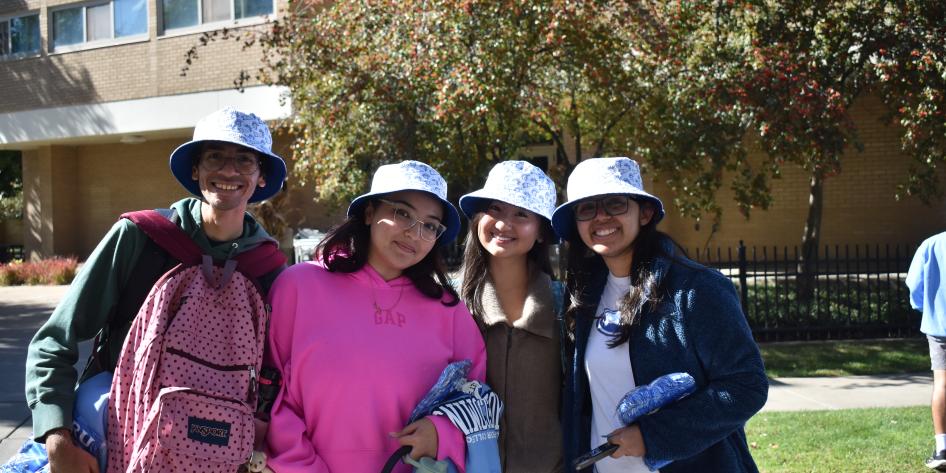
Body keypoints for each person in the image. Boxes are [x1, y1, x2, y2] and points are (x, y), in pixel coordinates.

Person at [24, 107, 288, 473]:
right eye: (215, 156)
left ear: (261, 176)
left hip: (218, 457)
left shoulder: (268, 268)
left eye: (244, 160)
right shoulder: (140, 238)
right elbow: (54, 340)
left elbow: (277, 374)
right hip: (117, 440)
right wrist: (57, 437)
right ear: (195, 170)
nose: (229, 171)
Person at [263, 160, 487, 473]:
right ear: (369, 213)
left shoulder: (449, 311)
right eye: (402, 213)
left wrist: (442, 433)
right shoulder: (298, 287)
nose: (414, 233)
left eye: (430, 226)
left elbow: (476, 401)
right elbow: (269, 390)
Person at [554, 157, 768, 473]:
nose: (601, 216)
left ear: (645, 213)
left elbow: (746, 386)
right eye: (587, 208)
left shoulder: (697, 289)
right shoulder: (582, 296)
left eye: (615, 203)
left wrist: (652, 436)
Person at [457, 160, 563, 472]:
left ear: (541, 232)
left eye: (521, 214)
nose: (504, 224)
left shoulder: (566, 307)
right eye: (495, 208)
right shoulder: (448, 303)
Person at [907, 232, 946, 471]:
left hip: (939, 325)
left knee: (942, 384)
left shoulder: (931, 244)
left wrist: (923, 306)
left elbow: (914, 284)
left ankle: (942, 448)